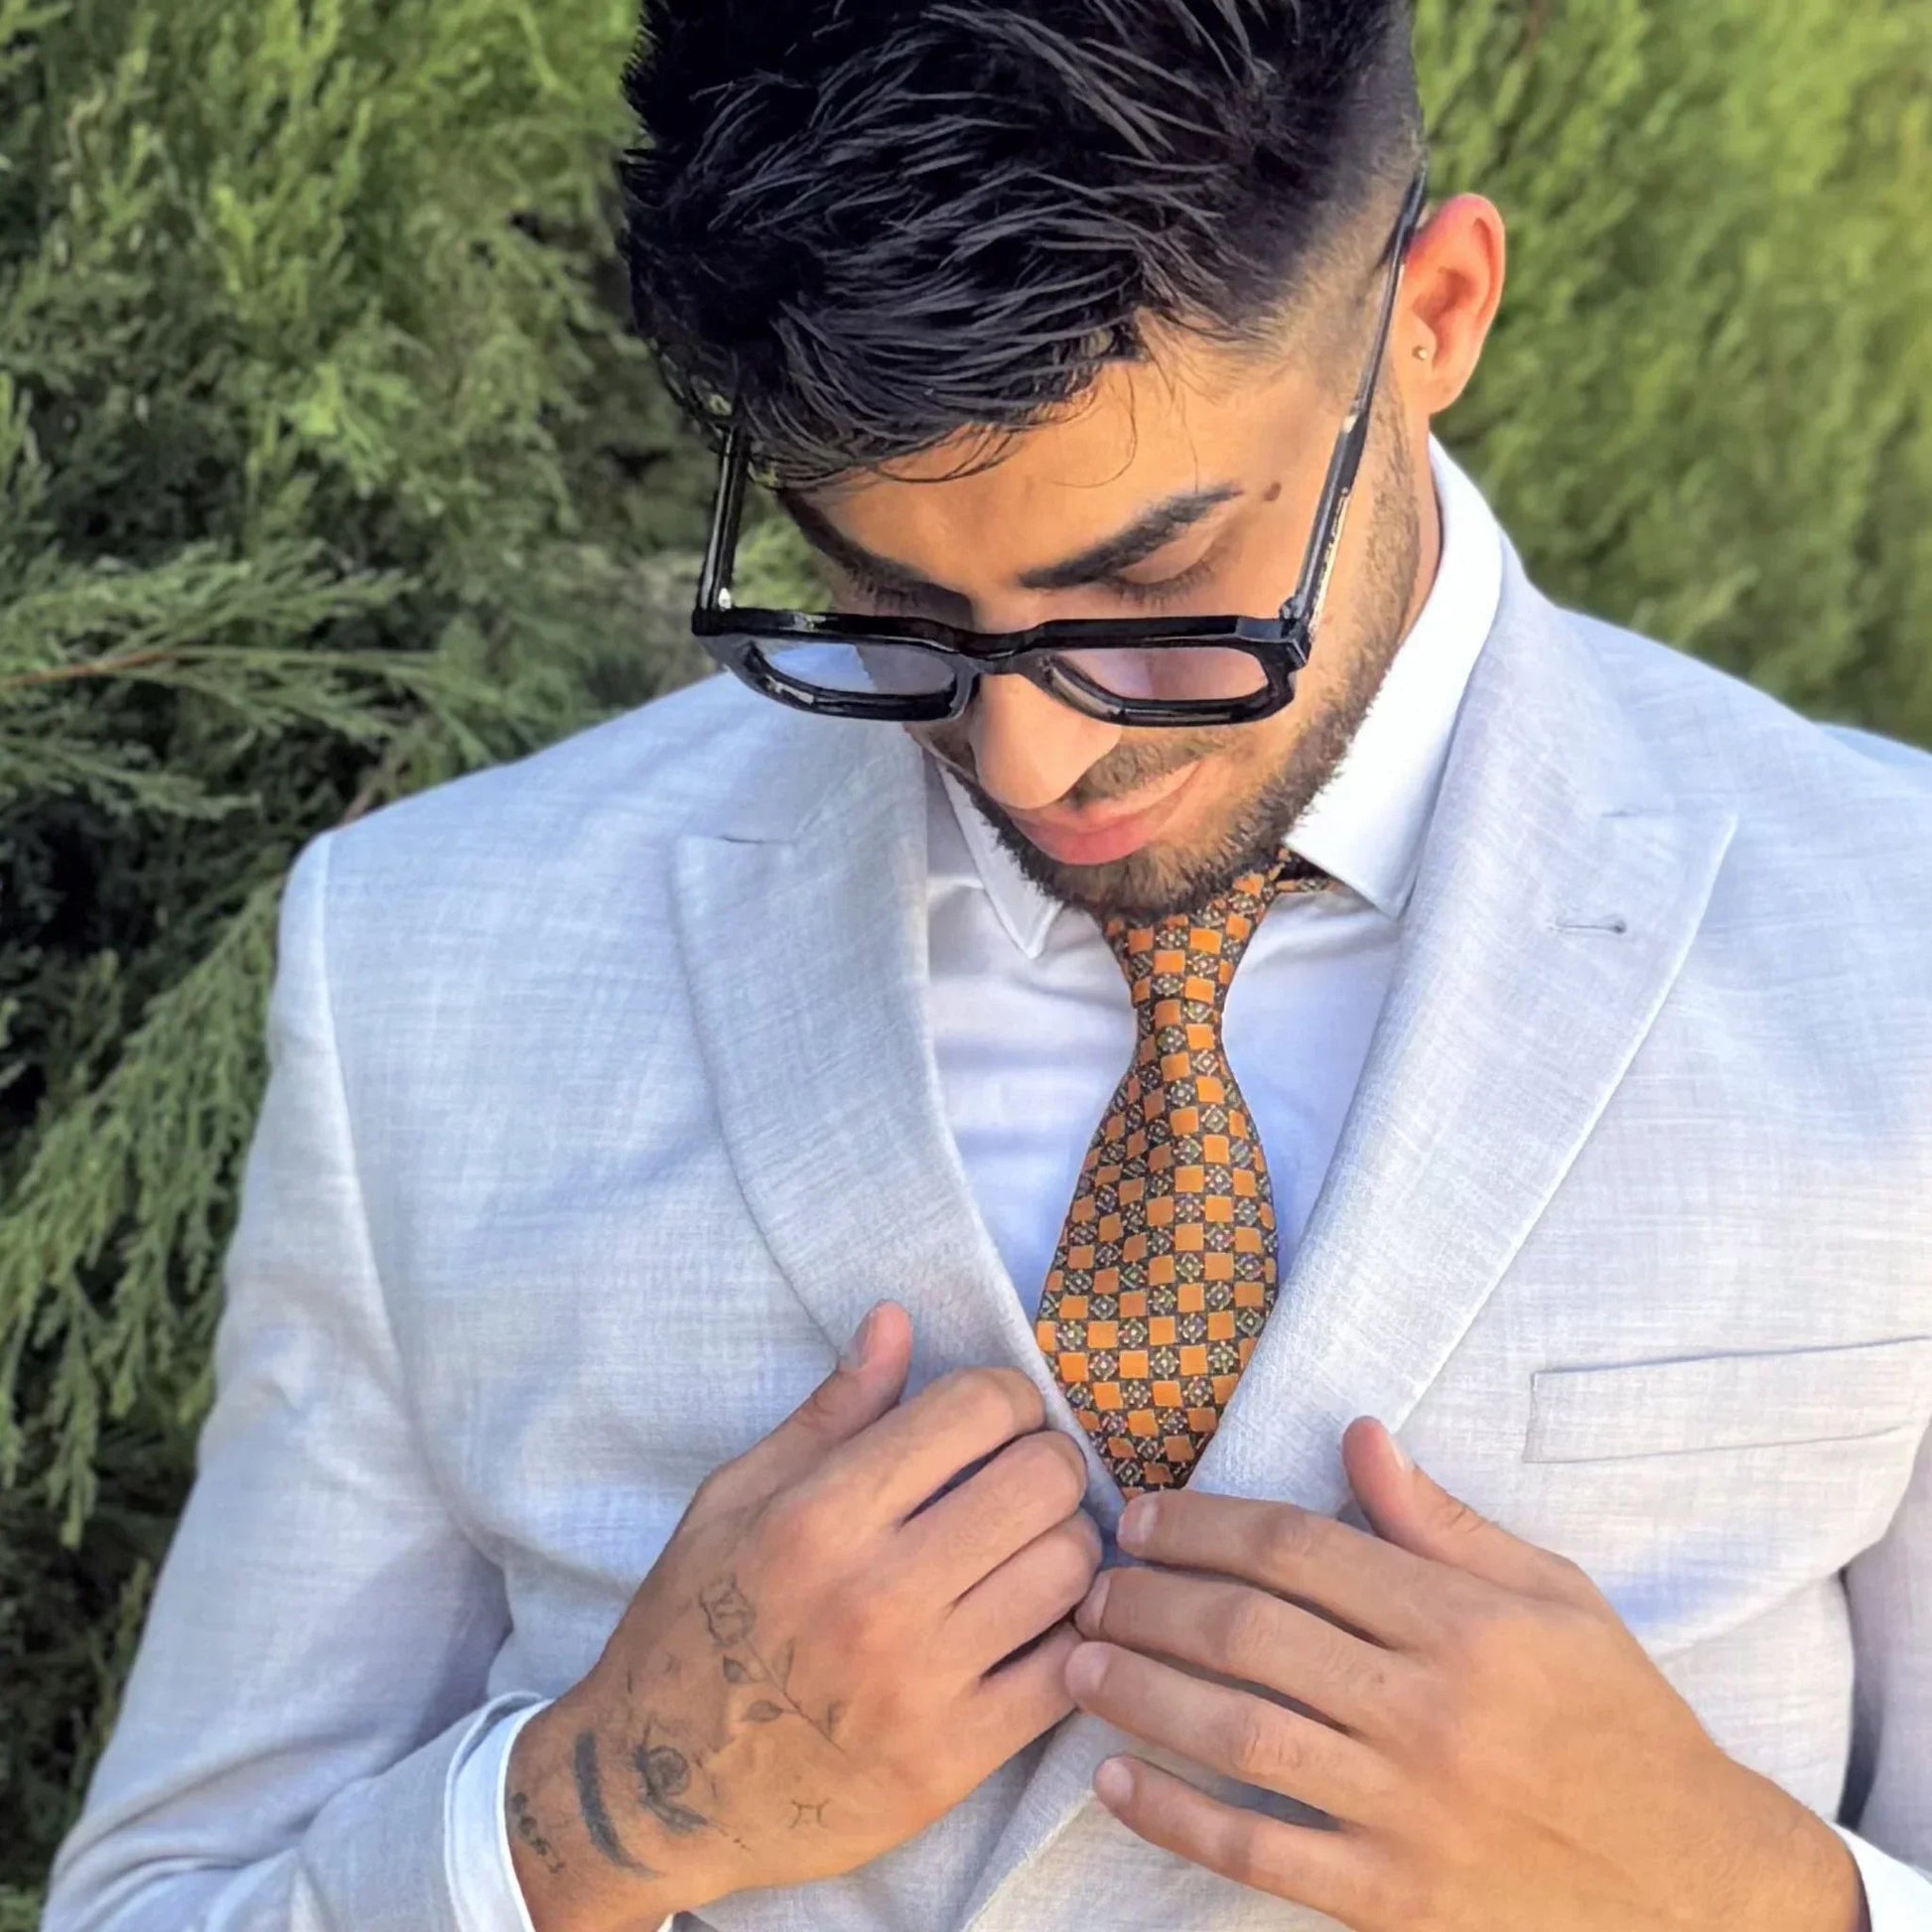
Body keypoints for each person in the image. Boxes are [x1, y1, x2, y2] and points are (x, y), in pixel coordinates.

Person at [43, 2, 1932, 1928]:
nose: (1028, 758)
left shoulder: (1896, 943)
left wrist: (1739, 1893)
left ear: (1430, 316)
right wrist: (600, 1810)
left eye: (1151, 587)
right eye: (890, 596)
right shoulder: (427, 959)